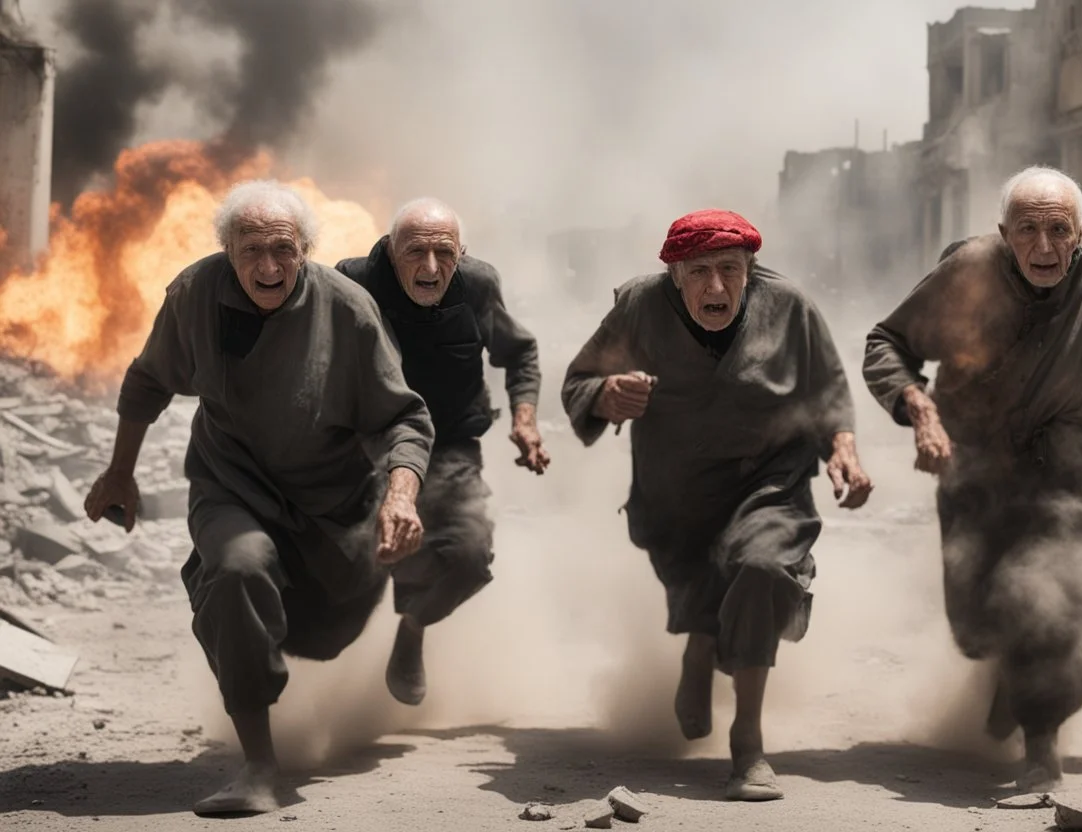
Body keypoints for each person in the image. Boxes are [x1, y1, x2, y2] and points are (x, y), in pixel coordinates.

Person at [83, 180, 435, 816]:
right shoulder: (193, 295)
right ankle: (259, 766)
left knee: (326, 635)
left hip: (332, 508)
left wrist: (401, 496)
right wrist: (119, 473)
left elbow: (404, 421)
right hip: (232, 484)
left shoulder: (349, 311)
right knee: (236, 569)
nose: (268, 267)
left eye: (284, 249)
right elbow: (147, 382)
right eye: (252, 250)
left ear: (305, 250)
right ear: (226, 250)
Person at [862, 166, 1082, 791]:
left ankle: (1042, 753)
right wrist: (918, 407)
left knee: (1049, 597)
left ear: (1081, 234)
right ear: (1004, 233)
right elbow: (887, 341)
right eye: (1028, 230)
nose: (1043, 247)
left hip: (1070, 464)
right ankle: (1017, 670)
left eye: (1059, 230)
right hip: (976, 460)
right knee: (976, 627)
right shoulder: (968, 274)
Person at [562, 209, 872, 801]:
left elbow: (829, 388)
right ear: (674, 275)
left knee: (761, 569)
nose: (716, 288)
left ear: (750, 270)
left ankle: (748, 742)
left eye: (730, 270)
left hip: (770, 479)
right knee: (701, 586)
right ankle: (700, 648)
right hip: (676, 489)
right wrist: (605, 394)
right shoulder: (638, 306)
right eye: (699, 272)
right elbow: (578, 382)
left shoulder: (790, 307)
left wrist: (845, 450)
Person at [335, 197, 547, 705]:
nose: (431, 267)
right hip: (365, 443)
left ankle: (412, 626)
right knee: (338, 558)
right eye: (416, 252)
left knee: (471, 556)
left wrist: (524, 419)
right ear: (390, 249)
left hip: (451, 442)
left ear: (462, 254)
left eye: (444, 253)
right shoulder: (352, 282)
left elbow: (519, 353)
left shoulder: (477, 285)